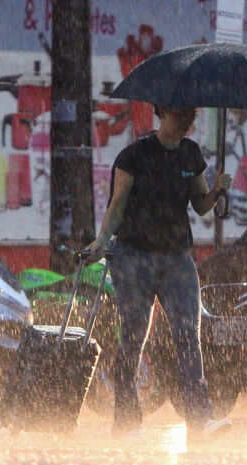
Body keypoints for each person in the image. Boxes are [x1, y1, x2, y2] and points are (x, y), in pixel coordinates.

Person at [86, 105, 233, 441]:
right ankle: (126, 417)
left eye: (191, 118)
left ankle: (201, 418)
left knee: (187, 336)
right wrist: (101, 240)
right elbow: (117, 205)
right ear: (162, 113)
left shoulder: (191, 154)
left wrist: (216, 190)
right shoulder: (133, 156)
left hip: (177, 259)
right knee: (135, 336)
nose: (186, 123)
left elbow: (200, 205)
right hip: (133, 258)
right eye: (181, 116)